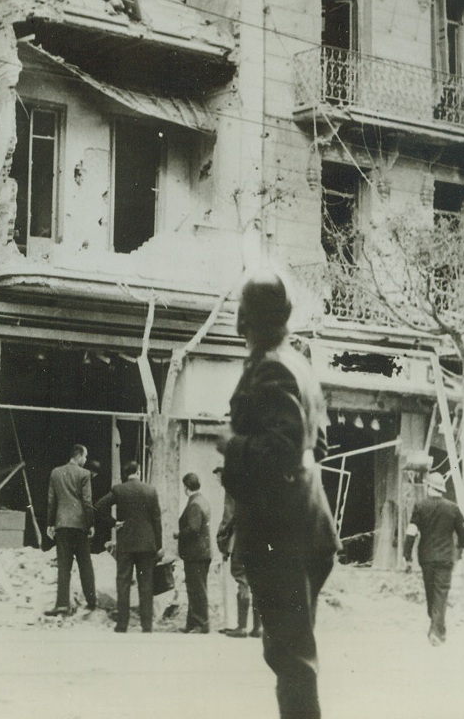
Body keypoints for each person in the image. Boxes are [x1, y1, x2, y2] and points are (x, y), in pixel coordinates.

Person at [219, 270, 339, 719]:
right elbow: (317, 445)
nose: (238, 326)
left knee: (291, 660)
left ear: (249, 319)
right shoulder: (299, 364)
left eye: (243, 316)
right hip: (306, 527)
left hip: (283, 535)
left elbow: (283, 450)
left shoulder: (270, 365)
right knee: (294, 655)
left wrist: (231, 445)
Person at [96, 461, 163, 634]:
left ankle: (122, 625)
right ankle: (146, 626)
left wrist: (114, 523)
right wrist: (159, 545)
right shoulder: (150, 490)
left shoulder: (119, 490)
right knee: (146, 584)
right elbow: (157, 520)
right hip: (147, 545)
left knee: (123, 583)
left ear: (126, 474)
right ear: (139, 471)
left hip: (125, 543)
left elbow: (99, 506)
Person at [404, 471, 464, 646]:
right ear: (441, 489)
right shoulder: (452, 508)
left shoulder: (420, 506)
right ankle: (438, 630)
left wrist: (407, 553)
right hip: (446, 558)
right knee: (441, 594)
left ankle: (436, 631)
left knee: (431, 594)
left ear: (428, 487)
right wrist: (461, 548)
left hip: (426, 558)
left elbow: (411, 532)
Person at [45, 444, 97, 616]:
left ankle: (61, 605)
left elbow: (52, 502)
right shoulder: (84, 474)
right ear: (79, 456)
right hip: (80, 526)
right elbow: (87, 502)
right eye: (85, 456)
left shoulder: (55, 472)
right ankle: (91, 602)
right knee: (85, 564)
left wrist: (50, 524)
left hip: (62, 525)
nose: (86, 460)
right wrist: (90, 524)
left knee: (63, 566)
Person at [215, 468, 260, 639]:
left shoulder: (233, 488)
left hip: (241, 540)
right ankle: (258, 628)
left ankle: (241, 627)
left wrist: (221, 539)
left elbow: (228, 517)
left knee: (242, 579)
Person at [176, 472, 213, 634]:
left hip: (195, 553)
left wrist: (179, 534)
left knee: (197, 589)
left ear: (187, 486)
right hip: (201, 552)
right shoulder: (202, 500)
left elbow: (193, 528)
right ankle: (192, 623)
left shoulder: (195, 504)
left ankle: (201, 624)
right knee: (195, 587)